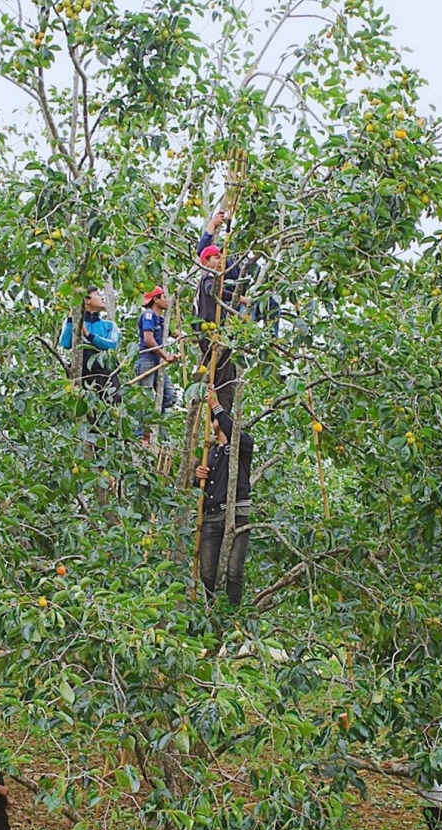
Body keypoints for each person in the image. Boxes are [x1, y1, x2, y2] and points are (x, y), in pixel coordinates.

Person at [194, 386, 254, 610]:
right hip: (211, 517)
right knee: (207, 572)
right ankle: (213, 609)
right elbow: (199, 487)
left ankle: (234, 612)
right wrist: (196, 476)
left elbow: (232, 430)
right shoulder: (209, 453)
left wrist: (217, 407)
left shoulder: (242, 444)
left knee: (234, 570)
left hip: (236, 515)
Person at [194, 211, 247, 411]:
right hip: (211, 328)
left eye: (220, 257)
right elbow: (213, 290)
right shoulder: (209, 276)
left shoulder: (226, 270)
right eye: (215, 258)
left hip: (217, 327)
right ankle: (221, 418)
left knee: (223, 371)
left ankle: (219, 411)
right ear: (207, 262)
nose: (219, 260)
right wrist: (212, 226)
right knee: (224, 377)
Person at [59, 286, 121, 407]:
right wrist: (72, 318)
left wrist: (89, 335)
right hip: (83, 376)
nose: (102, 297)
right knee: (88, 413)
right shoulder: (72, 322)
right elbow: (66, 343)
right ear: (87, 300)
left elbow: (112, 344)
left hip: (106, 375)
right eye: (98, 294)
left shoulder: (109, 325)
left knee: (112, 408)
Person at [135, 285, 179, 413]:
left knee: (170, 396)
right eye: (164, 297)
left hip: (157, 362)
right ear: (156, 299)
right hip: (147, 361)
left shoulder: (161, 320)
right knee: (145, 399)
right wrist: (166, 356)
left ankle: (154, 421)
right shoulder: (148, 315)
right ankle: (142, 432)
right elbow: (148, 339)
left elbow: (176, 333)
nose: (167, 300)